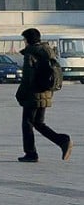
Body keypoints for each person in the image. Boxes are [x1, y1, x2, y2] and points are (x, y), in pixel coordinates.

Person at [16, 27, 72, 162]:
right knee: (38, 122)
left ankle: (31, 153)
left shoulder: (31, 53)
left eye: (24, 39)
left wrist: (20, 94)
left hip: (33, 94)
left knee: (27, 123)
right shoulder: (47, 52)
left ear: (28, 40)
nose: (24, 42)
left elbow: (27, 78)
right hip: (46, 92)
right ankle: (62, 141)